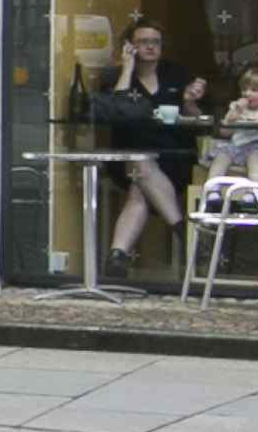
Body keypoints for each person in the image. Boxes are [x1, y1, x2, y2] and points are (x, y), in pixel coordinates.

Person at [78, 25, 199, 287]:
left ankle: (117, 255)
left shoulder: (176, 74)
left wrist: (189, 102)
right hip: (126, 157)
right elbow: (116, 112)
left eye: (156, 41)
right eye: (143, 41)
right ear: (129, 46)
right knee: (140, 165)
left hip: (173, 156)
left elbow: (196, 118)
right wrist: (127, 69)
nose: (151, 46)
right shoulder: (115, 77)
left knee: (139, 188)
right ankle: (184, 231)